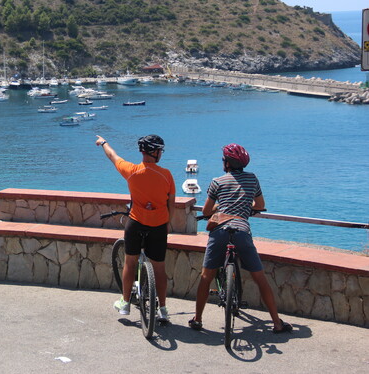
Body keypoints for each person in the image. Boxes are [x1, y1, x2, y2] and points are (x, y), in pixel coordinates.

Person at [188, 143, 292, 333]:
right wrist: (246, 206)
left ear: (227, 163)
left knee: (206, 276)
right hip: (242, 230)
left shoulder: (217, 181)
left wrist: (220, 208)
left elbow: (205, 211)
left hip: (220, 230)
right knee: (260, 277)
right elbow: (260, 205)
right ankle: (277, 322)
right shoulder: (252, 179)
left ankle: (197, 319)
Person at [95, 134, 175, 322]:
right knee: (159, 268)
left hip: (136, 223)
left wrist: (104, 142)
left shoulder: (131, 171)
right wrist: (167, 223)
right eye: (160, 151)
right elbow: (171, 203)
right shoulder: (167, 175)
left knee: (130, 262)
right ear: (155, 152)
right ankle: (162, 308)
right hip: (158, 226)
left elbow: (112, 156)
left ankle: (125, 303)